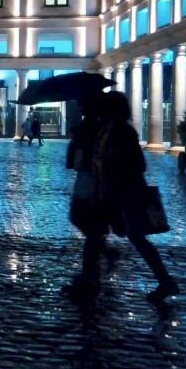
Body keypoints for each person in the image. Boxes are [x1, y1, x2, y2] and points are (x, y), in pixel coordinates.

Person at [90, 91, 178, 302]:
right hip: (112, 191)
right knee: (125, 235)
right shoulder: (109, 130)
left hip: (123, 193)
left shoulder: (122, 131)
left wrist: (115, 170)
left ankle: (164, 281)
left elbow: (137, 164)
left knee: (132, 236)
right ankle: (164, 280)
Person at [61, 93, 118, 300]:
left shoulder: (98, 126)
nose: (80, 106)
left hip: (94, 181)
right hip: (86, 179)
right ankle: (99, 260)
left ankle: (88, 276)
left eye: (83, 103)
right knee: (81, 219)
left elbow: (94, 152)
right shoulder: (88, 125)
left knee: (87, 222)